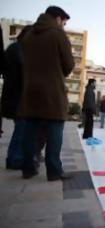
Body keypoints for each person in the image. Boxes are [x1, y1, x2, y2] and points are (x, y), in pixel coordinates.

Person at [19, 6, 74, 180]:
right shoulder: (58, 34)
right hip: (52, 91)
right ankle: (54, 171)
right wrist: (57, 73)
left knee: (29, 131)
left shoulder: (28, 35)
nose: (63, 26)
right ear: (58, 19)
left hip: (30, 90)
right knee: (55, 129)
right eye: (63, 23)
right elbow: (69, 64)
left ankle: (27, 168)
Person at [1, 26, 32, 169]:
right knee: (22, 127)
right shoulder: (18, 50)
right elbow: (22, 71)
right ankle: (15, 159)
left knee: (21, 127)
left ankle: (13, 158)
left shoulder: (15, 48)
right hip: (17, 96)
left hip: (15, 95)